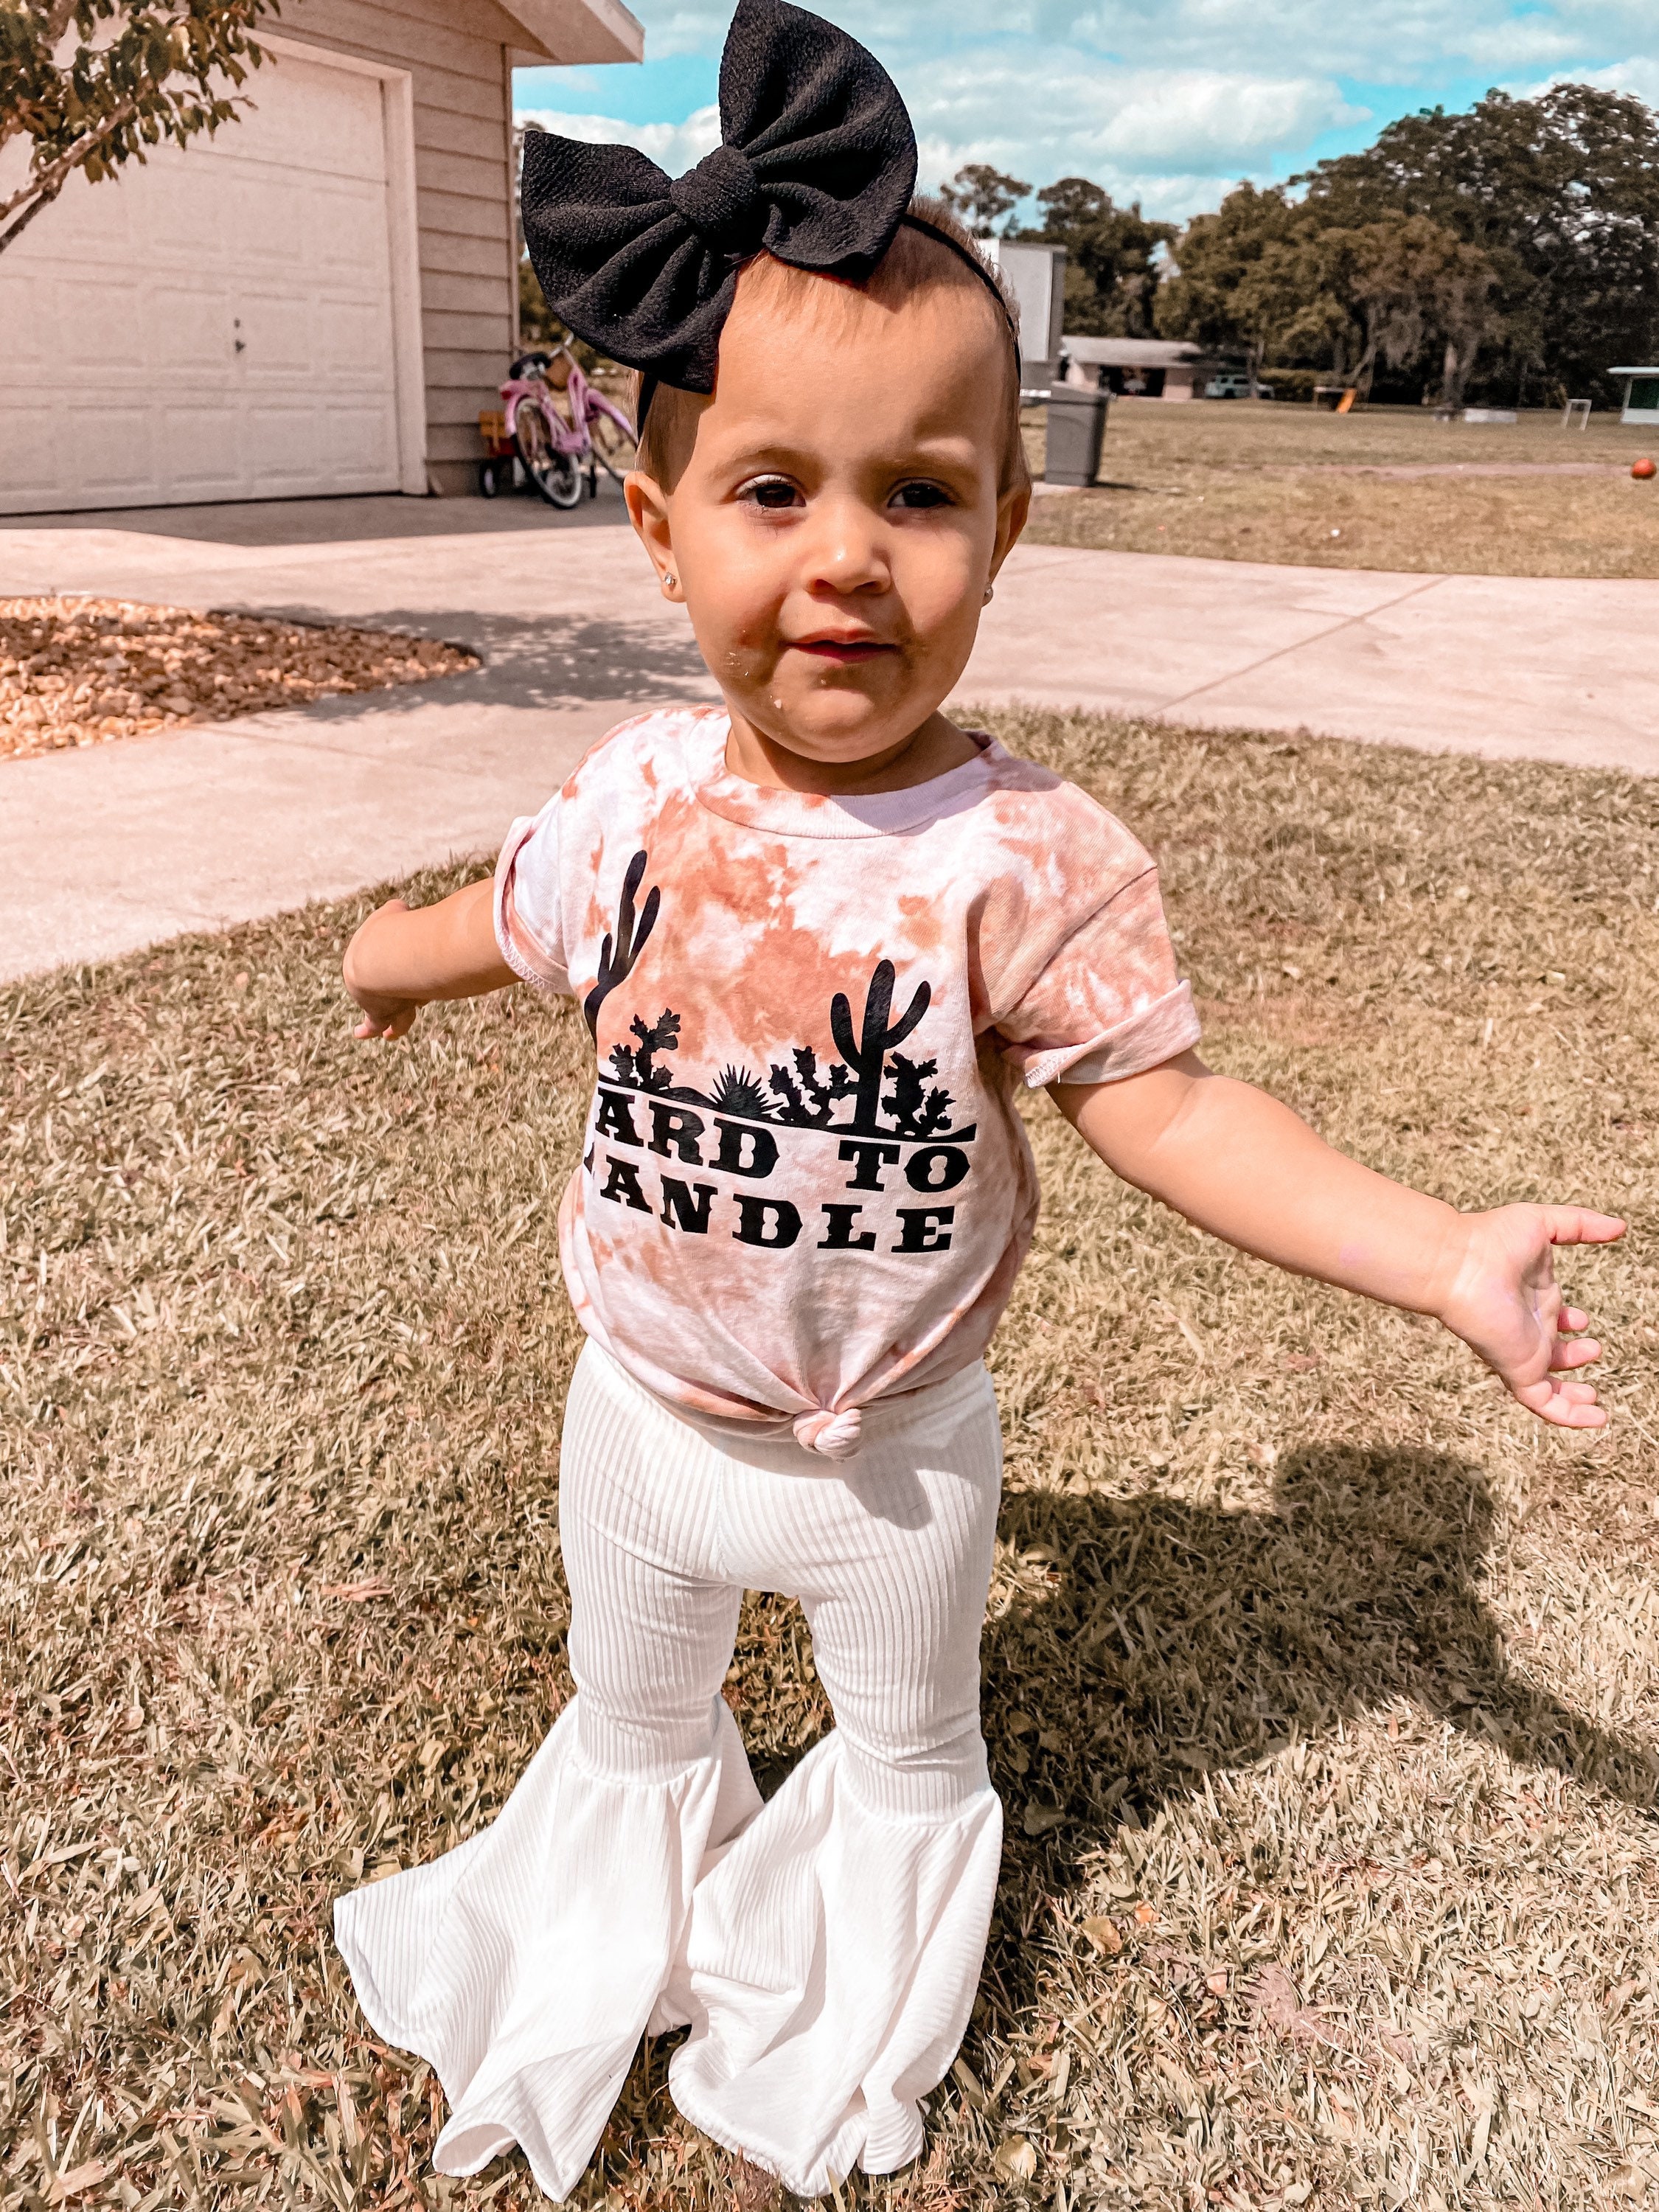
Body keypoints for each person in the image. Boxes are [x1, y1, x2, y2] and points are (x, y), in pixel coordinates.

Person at [328, 1, 1623, 2197]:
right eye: (770, 490)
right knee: (633, 1714)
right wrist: (381, 967)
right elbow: (507, 917)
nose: (843, 556)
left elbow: (1177, 1108)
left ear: (1004, 527)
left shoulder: (1030, 861)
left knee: (910, 1748)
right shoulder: (631, 798)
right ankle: (597, 1936)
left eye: (915, 496)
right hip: (636, 1419)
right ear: (656, 529)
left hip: (899, 1469)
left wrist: (1433, 1253)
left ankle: (832, 2001)